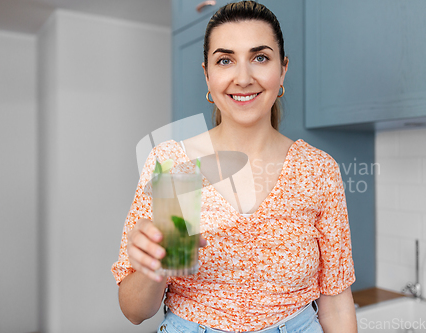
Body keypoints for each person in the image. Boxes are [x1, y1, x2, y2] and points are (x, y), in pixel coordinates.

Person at [111, 1, 358, 332]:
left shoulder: (318, 169)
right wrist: (156, 267)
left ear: (282, 69)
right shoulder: (174, 165)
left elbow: (337, 304)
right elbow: (134, 311)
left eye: (260, 58)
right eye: (225, 60)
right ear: (207, 74)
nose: (243, 78)